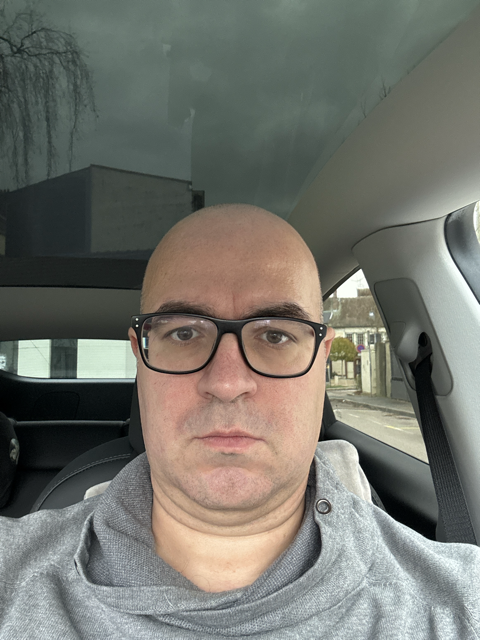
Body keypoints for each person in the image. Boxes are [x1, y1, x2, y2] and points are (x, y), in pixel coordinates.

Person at [1, 204, 479, 639]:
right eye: (184, 333)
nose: (227, 382)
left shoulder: (461, 606)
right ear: (140, 358)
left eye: (275, 336)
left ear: (321, 360)